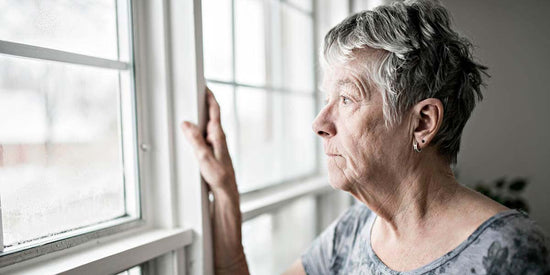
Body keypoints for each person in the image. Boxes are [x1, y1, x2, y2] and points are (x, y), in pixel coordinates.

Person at [181, 0, 550, 274]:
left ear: (422, 123)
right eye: (326, 99)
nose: (320, 123)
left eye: (346, 98)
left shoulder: (508, 251)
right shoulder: (355, 229)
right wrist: (226, 194)